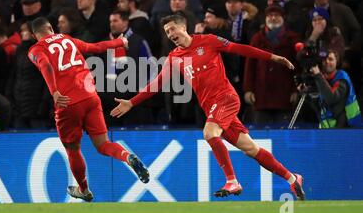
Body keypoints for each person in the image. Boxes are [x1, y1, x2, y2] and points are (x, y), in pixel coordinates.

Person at [111, 14, 306, 200]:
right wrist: (131, 102)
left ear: (183, 27)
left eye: (172, 29)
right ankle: (292, 177)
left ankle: (232, 181)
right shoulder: (174, 58)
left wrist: (274, 58)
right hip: (212, 107)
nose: (170, 35)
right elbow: (157, 84)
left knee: (210, 133)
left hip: (226, 98)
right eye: (167, 32)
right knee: (251, 149)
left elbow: (241, 49)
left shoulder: (209, 41)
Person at [28, 17, 149, 202]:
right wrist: (119, 42)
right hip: (91, 97)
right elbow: (95, 47)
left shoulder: (36, 49)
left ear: (33, 34)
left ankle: (84, 190)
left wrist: (54, 91)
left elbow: (44, 64)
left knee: (73, 149)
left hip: (67, 103)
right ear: (51, 28)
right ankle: (128, 156)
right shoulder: (67, 39)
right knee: (103, 144)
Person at [309, 50, 363, 128]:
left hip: (347, 131)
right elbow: (318, 107)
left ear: (337, 62)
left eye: (330, 59)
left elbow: (331, 98)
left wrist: (318, 75)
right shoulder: (322, 79)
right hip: (327, 131)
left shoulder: (342, 79)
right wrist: (307, 93)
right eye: (324, 59)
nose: (327, 61)